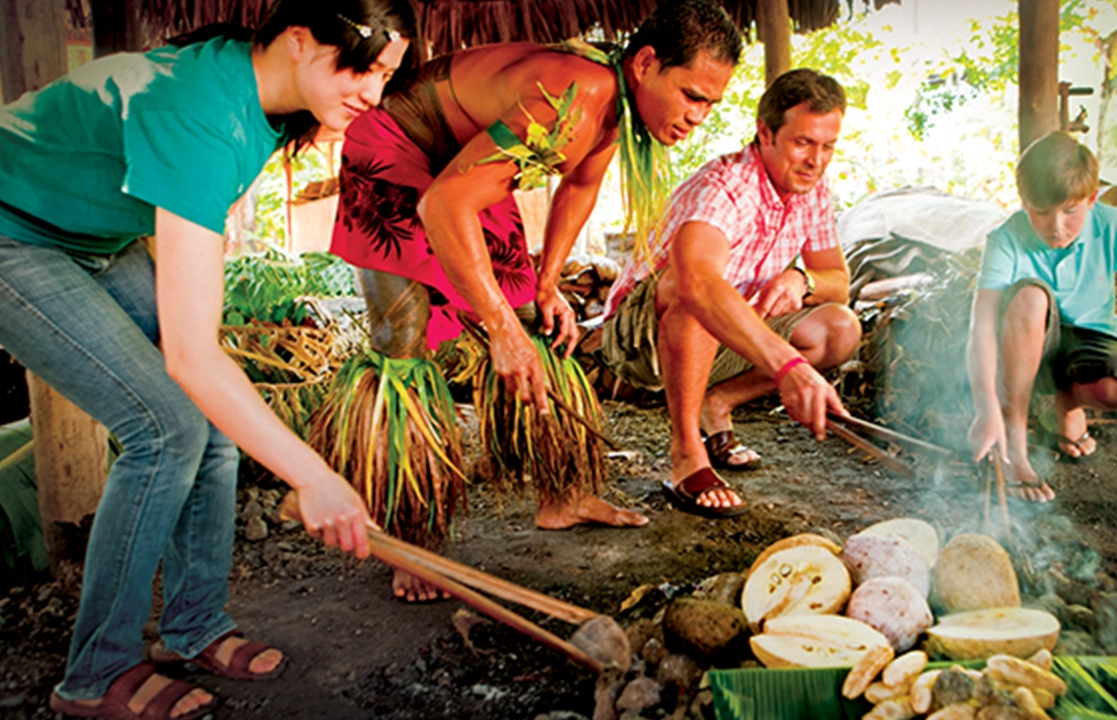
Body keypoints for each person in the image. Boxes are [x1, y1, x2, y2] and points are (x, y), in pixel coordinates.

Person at [0, 1, 416, 717]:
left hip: (89, 237)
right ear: (296, 39)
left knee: (214, 423)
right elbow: (192, 359)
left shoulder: (268, 95)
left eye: (384, 75)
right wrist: (313, 477)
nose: (370, 94)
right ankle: (96, 674)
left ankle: (192, 628)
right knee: (165, 426)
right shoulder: (199, 112)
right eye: (359, 68)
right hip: (15, 234)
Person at [329, 0, 743, 599]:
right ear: (647, 63)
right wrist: (497, 327)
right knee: (404, 342)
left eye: (711, 104)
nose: (698, 117)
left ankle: (563, 494)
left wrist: (547, 281)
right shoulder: (575, 92)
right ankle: (409, 542)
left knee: (537, 319)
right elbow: (444, 205)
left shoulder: (612, 104)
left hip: (464, 158)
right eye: (692, 96)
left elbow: (579, 185)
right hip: (395, 148)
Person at [598, 68, 861, 517]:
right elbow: (697, 282)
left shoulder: (813, 191)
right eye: (802, 143)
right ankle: (686, 454)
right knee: (695, 286)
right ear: (765, 132)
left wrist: (803, 280)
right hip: (641, 342)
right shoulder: (722, 186)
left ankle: (715, 404)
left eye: (827, 146)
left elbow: (838, 277)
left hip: (728, 335)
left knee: (840, 327)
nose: (816, 160)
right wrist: (789, 367)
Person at [966, 131, 1117, 502]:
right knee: (1030, 298)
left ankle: (1068, 402)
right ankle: (1015, 446)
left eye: (1070, 210)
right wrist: (986, 408)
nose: (1056, 226)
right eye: (1041, 212)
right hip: (1026, 343)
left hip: (1090, 337)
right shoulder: (1005, 239)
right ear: (1023, 203)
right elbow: (982, 326)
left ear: (1092, 198)